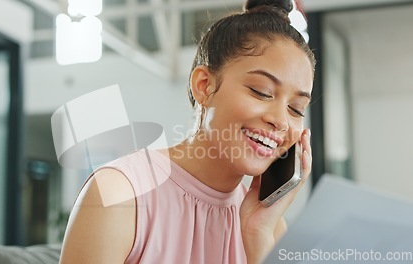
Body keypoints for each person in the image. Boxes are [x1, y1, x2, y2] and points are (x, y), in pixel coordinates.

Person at [59, 0, 315, 263]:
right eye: (261, 92)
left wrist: (258, 235)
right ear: (204, 86)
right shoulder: (117, 195)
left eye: (296, 109)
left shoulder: (269, 226)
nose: (281, 122)